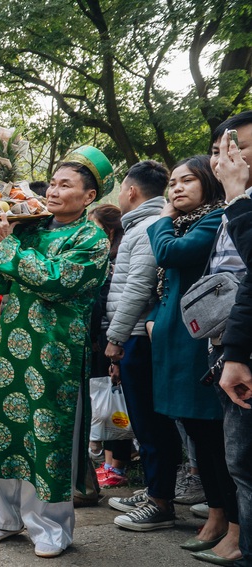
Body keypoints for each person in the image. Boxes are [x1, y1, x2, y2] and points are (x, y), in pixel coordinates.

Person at [0, 146, 112, 558]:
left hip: (55, 358)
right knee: (4, 432)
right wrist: (0, 244)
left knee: (46, 437)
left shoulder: (92, 240)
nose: (53, 191)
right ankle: (2, 519)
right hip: (12, 350)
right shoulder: (29, 228)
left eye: (65, 185)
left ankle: (51, 528)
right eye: (52, 182)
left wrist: (9, 249)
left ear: (89, 197)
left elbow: (56, 280)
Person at [114, 156, 226, 535]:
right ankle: (216, 513)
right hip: (173, 340)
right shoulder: (185, 223)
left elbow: (170, 254)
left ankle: (220, 517)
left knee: (208, 432)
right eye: (173, 182)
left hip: (197, 343)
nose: (176, 188)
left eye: (187, 181)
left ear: (209, 183)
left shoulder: (213, 219)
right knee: (194, 429)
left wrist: (161, 220)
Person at [101, 161, 185, 519]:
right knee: (146, 422)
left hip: (138, 336)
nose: (120, 195)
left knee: (151, 424)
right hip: (134, 335)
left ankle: (161, 503)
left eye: (121, 188)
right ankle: (154, 490)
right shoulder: (142, 225)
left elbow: (138, 288)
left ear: (132, 191)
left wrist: (116, 337)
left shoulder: (147, 226)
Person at [212, 112, 252, 567]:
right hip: (234, 346)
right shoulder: (237, 205)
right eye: (226, 148)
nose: (231, 158)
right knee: (240, 463)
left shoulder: (239, 203)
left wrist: (237, 197)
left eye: (240, 147)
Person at [85, 204, 132, 489]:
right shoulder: (104, 256)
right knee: (108, 399)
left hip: (113, 338)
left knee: (118, 400)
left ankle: (118, 465)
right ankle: (108, 462)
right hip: (103, 338)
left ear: (110, 229)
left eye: (96, 226)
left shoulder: (116, 259)